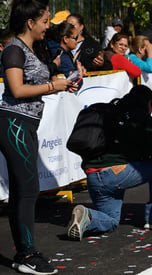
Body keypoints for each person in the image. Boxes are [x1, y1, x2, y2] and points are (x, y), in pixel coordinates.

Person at [0, 0, 75, 273]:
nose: (47, 27)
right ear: (30, 22)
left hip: (26, 124)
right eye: (44, 21)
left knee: (24, 189)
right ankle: (26, 254)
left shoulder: (31, 48)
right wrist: (51, 85)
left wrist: (60, 85)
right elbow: (17, 90)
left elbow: (37, 85)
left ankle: (25, 252)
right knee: (28, 189)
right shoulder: (13, 49)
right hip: (14, 123)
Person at [67, 85, 152, 241]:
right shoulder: (139, 116)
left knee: (111, 221)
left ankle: (88, 216)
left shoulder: (110, 111)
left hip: (93, 177)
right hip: (116, 174)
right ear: (149, 102)